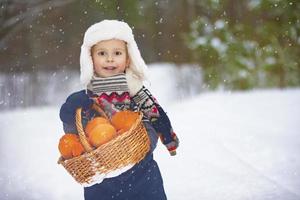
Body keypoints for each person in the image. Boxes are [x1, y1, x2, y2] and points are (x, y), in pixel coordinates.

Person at [59, 19, 179, 200]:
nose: (110, 59)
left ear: (128, 57)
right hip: (101, 175)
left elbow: (155, 116)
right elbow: (78, 134)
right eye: (102, 53)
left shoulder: (136, 92)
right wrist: (69, 115)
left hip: (141, 170)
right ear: (90, 59)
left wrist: (157, 140)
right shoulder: (86, 98)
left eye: (117, 53)